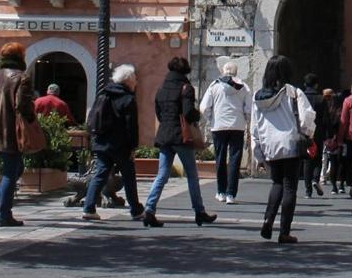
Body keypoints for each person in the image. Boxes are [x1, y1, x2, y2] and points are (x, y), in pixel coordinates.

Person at [142, 57, 216, 228]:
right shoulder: (186, 88)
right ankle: (199, 211)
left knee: (162, 175)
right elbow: (188, 112)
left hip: (164, 135)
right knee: (192, 175)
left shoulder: (161, 89)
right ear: (185, 71)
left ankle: (150, 209)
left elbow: (158, 113)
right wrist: (197, 116)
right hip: (181, 137)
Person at [251, 54, 315, 244]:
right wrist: (309, 135)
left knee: (277, 183)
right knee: (290, 187)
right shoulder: (293, 93)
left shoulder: (258, 97)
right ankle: (284, 231)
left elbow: (254, 128)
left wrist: (258, 154)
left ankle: (268, 219)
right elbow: (306, 118)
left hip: (270, 145)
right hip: (290, 144)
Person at [83, 64, 144, 223]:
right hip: (121, 145)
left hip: (102, 142)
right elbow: (131, 126)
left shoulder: (104, 94)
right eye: (135, 79)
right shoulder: (129, 99)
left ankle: (89, 208)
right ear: (129, 80)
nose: (136, 82)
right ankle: (136, 210)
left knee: (100, 174)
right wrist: (133, 146)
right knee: (129, 177)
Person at [0, 42, 34, 226]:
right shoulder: (21, 78)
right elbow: (23, 105)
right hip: (11, 131)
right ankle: (4, 213)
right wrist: (30, 120)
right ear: (20, 56)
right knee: (10, 172)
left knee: (16, 168)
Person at [200, 56, 251, 204]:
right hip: (237, 126)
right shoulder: (244, 87)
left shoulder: (214, 86)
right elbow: (249, 109)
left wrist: (211, 118)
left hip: (219, 126)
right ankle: (231, 194)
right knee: (235, 160)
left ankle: (221, 191)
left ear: (223, 71)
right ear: (236, 72)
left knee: (220, 159)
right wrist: (247, 122)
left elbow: (204, 107)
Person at [301, 73, 325, 198]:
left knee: (307, 160)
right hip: (318, 131)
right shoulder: (321, 99)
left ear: (305, 84)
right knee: (317, 157)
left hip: (304, 131)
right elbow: (326, 118)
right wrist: (329, 133)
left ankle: (307, 190)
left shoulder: (301, 97)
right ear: (316, 85)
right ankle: (316, 179)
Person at [321, 90, 344, 194]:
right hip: (341, 140)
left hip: (330, 141)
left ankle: (334, 186)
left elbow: (325, 125)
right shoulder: (342, 112)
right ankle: (341, 185)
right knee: (342, 163)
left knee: (333, 162)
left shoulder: (329, 112)